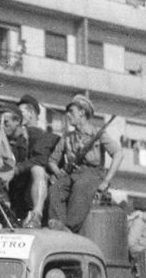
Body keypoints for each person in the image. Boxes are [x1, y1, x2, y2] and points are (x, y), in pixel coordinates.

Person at [46, 94, 121, 233]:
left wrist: (106, 180)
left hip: (93, 174)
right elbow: (52, 161)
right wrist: (57, 171)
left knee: (81, 187)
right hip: (74, 173)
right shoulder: (67, 137)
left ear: (82, 112)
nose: (68, 115)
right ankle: (57, 225)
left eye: (71, 111)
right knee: (55, 188)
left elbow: (118, 153)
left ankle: (69, 228)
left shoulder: (97, 134)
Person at [12, 95, 60, 228]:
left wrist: (17, 169)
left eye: (20, 113)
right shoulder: (14, 136)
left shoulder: (47, 137)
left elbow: (40, 159)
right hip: (15, 188)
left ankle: (36, 215)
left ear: (32, 113)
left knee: (38, 169)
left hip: (34, 186)